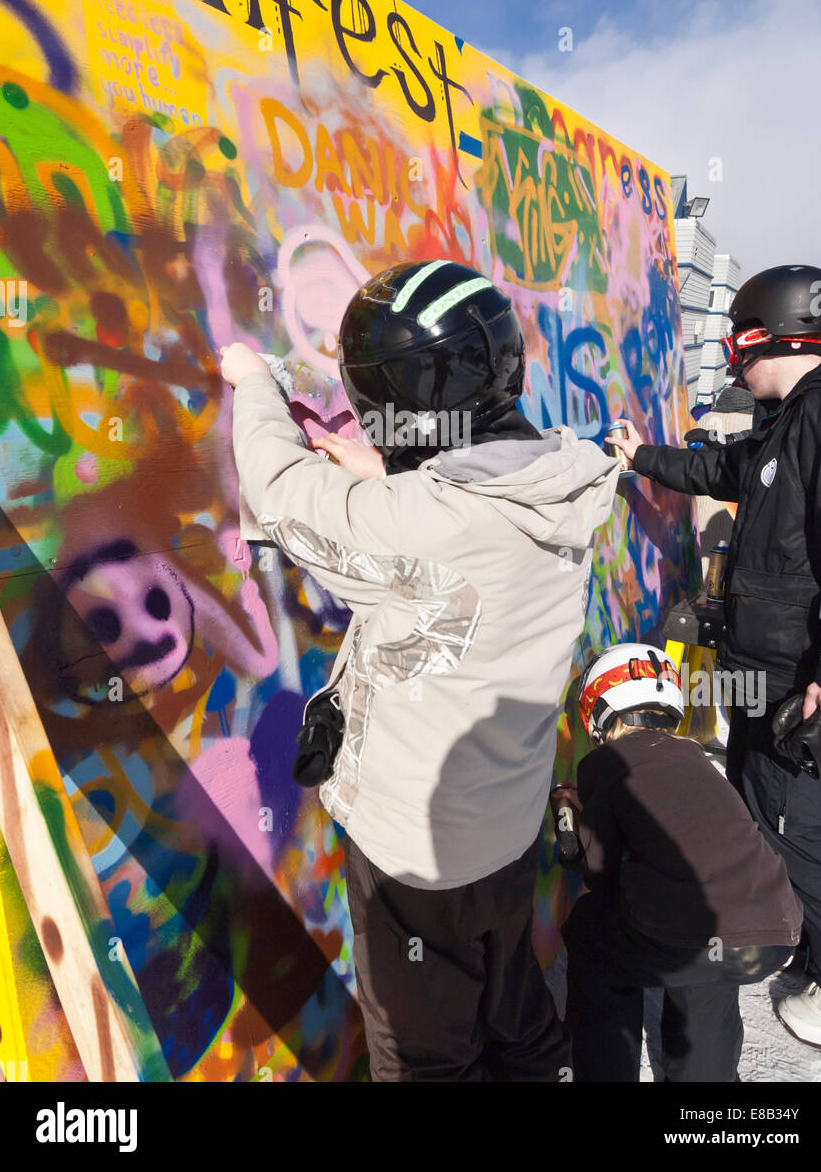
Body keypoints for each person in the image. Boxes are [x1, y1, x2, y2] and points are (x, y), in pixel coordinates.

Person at [219, 258, 620, 1081]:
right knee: (514, 1010)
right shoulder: (565, 476)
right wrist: (393, 476)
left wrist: (252, 383)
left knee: (422, 1052)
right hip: (506, 825)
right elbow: (464, 513)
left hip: (417, 853)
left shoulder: (427, 527)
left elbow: (282, 495)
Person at [613, 264, 821, 1047]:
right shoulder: (788, 418)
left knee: (802, 832)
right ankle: (812, 949)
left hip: (803, 680)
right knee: (758, 806)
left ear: (762, 337)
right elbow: (720, 469)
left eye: (734, 345)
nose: (729, 361)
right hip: (762, 669)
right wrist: (638, 458)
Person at [555, 642, 801, 1082]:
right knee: (708, 961)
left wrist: (574, 828)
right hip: (773, 929)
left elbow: (601, 874)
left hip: (691, 933)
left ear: (599, 710)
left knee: (593, 932)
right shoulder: (701, 762)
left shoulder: (607, 763)